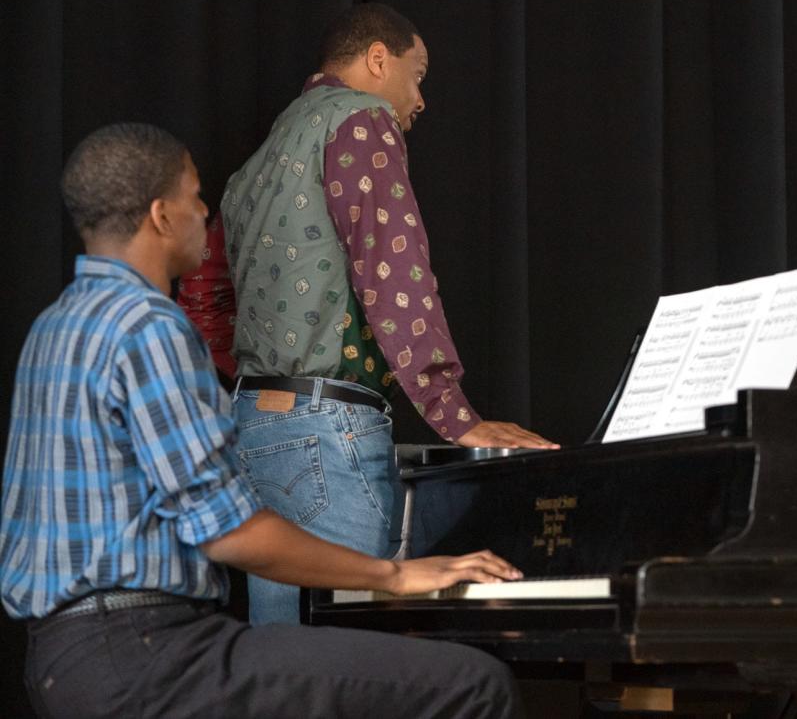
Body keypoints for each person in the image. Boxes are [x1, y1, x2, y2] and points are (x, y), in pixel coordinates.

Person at [1, 123, 525, 718]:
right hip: (147, 654)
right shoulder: (148, 325)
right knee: (475, 685)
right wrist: (396, 575)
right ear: (161, 215)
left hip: (60, 659)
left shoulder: (55, 325)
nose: (206, 213)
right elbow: (227, 532)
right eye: (196, 196)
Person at [213, 3, 557, 624]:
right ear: (378, 58)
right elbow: (394, 272)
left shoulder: (260, 157)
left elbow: (209, 296)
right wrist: (453, 414)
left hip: (255, 425)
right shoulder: (363, 119)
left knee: (285, 658)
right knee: (345, 652)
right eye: (417, 74)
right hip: (326, 427)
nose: (420, 99)